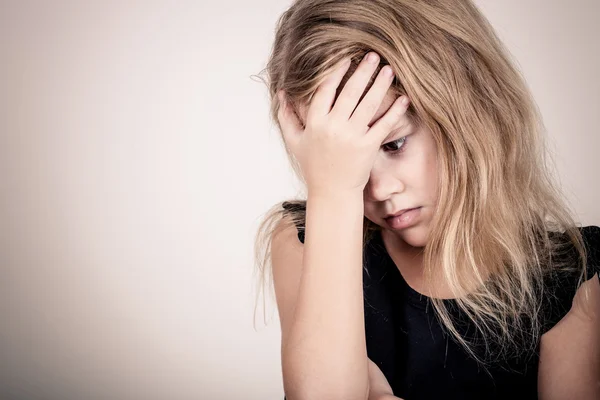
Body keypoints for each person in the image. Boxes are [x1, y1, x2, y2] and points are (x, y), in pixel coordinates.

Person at [252, 1, 600, 399]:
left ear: (467, 111)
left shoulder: (566, 275)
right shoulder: (304, 241)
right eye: (344, 164)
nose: (379, 190)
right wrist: (332, 192)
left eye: (394, 144)